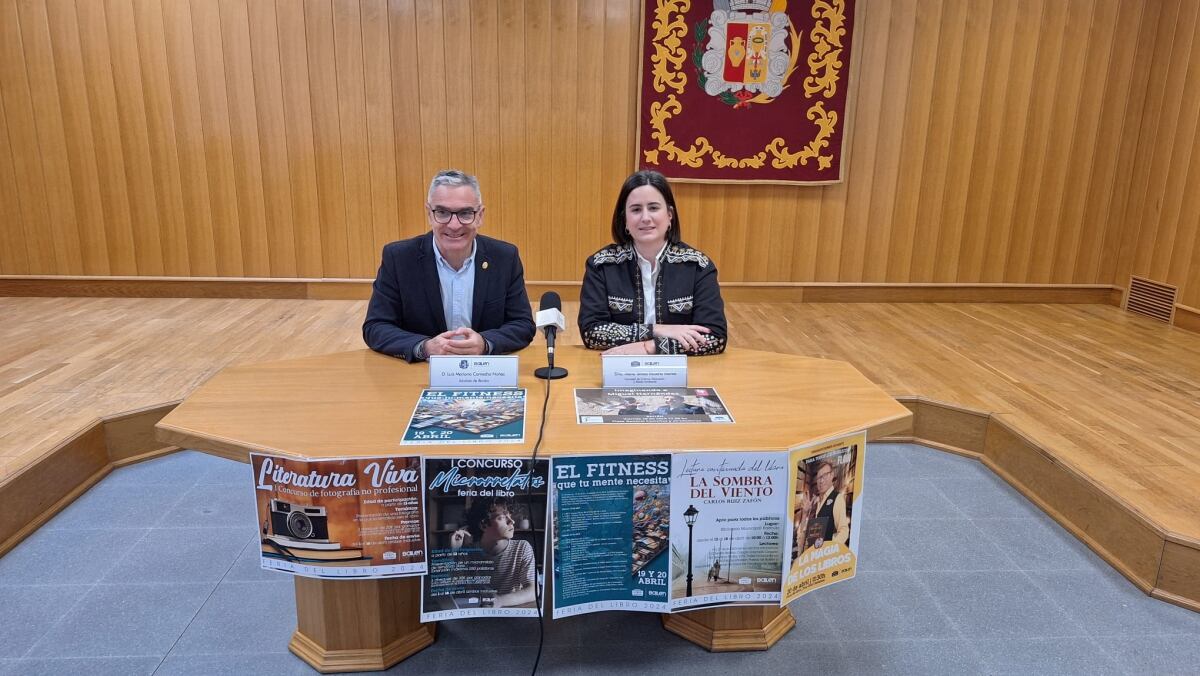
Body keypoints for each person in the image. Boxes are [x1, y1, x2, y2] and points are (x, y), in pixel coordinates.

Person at [363, 170, 536, 362]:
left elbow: (522, 324)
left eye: (465, 213)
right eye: (443, 213)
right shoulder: (399, 258)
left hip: (485, 373)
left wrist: (485, 343)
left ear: (479, 215)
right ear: (429, 213)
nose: (454, 225)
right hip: (419, 375)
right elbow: (376, 326)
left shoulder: (504, 257)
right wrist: (425, 347)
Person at [578, 170, 727, 355]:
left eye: (654, 208)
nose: (645, 218)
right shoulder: (601, 265)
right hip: (616, 368)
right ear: (624, 219)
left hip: (682, 372)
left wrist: (650, 347)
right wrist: (655, 330)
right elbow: (591, 332)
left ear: (670, 215)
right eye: (636, 209)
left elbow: (715, 337)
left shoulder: (698, 266)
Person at [450, 497, 537, 608]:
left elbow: (533, 590)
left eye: (510, 516)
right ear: (484, 525)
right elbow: (450, 590)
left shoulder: (522, 548)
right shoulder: (467, 552)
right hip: (475, 616)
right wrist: (453, 553)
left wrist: (500, 601)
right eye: (502, 517)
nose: (512, 521)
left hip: (510, 615)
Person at [809, 460, 849, 548]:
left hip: (826, 555)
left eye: (825, 475)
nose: (821, 480)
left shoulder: (837, 498)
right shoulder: (818, 501)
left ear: (831, 475)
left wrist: (830, 550)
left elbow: (844, 531)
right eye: (819, 478)